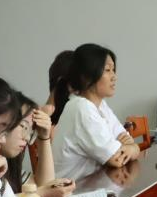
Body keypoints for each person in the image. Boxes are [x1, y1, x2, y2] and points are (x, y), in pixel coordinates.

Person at [52, 44, 141, 182]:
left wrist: (130, 147)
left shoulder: (100, 105)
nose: (114, 77)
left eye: (113, 70)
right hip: (71, 192)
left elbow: (125, 139)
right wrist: (132, 149)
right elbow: (117, 159)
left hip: (92, 186)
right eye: (107, 70)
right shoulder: (81, 108)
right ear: (86, 77)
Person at [0, 94, 75, 197]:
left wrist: (44, 137)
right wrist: (44, 192)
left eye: (30, 131)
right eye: (23, 126)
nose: (27, 137)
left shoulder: (10, 165)